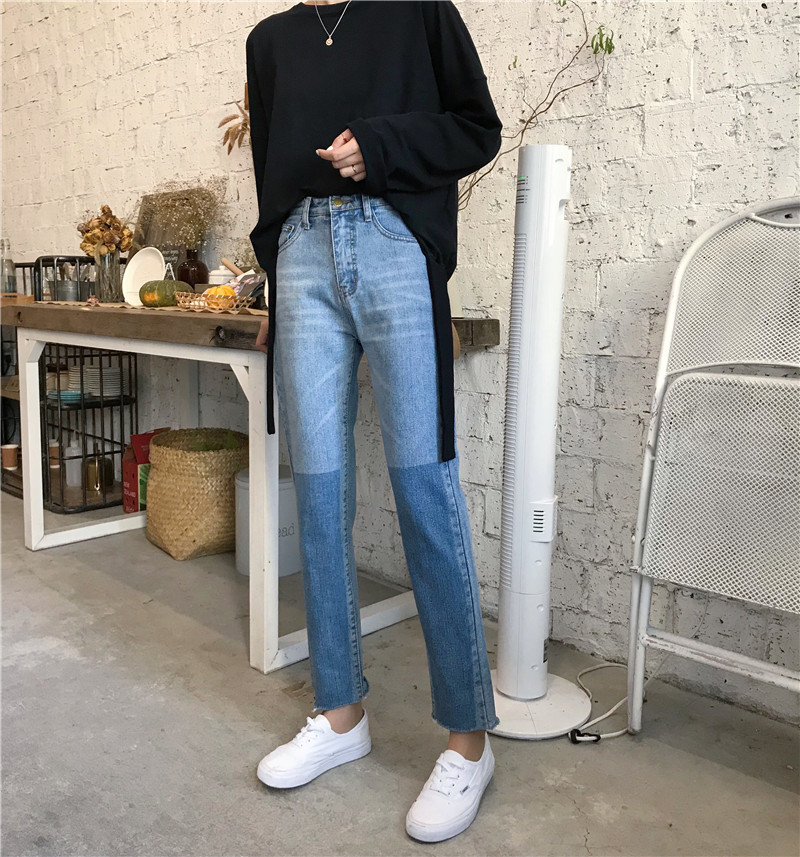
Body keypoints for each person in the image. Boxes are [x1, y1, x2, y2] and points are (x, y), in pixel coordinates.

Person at [246, 0, 503, 842]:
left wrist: (381, 147)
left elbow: (478, 128)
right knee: (319, 495)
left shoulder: (417, 12)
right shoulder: (270, 41)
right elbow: (269, 172)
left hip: (394, 245)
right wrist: (276, 282)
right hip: (302, 258)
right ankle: (341, 713)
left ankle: (468, 740)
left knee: (425, 487)